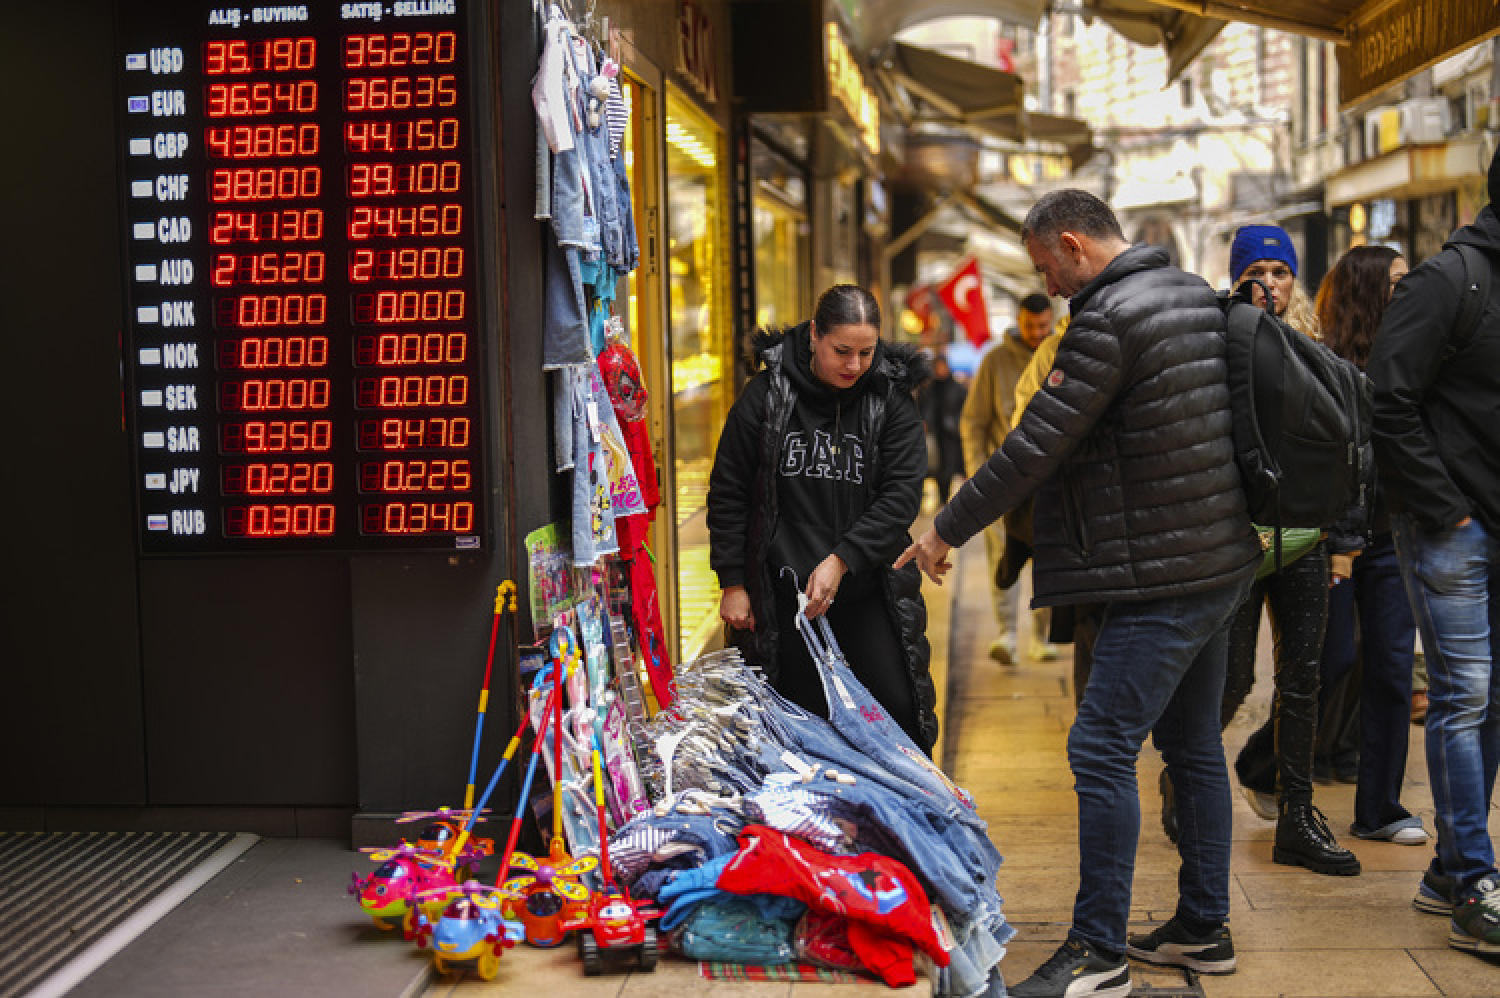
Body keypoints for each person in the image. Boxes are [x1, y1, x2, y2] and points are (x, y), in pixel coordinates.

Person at [899, 190, 1260, 997]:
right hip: (1216, 560)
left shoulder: (1106, 320)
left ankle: (1099, 953)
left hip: (1159, 575)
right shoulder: (1189, 293)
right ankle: (1205, 928)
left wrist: (945, 527)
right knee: (1194, 745)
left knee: (1100, 747)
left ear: (1071, 244)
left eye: (1044, 267)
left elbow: (1034, 444)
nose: (1048, 286)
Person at [707, 284, 939, 751]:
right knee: (800, 725)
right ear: (814, 335)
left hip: (870, 587)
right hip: (784, 595)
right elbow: (730, 488)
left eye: (866, 352)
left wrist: (841, 559)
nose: (855, 365)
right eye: (842, 351)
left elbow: (899, 498)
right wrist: (733, 582)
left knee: (896, 715)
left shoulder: (890, 400)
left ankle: (900, 820)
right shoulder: (766, 396)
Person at [1368, 146, 1500, 957]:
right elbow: (1389, 401)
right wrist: (1446, 508)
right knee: (1465, 698)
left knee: (1493, 700)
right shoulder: (1450, 279)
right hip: (1454, 529)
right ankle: (1475, 887)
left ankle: (1450, 868)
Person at [1215, 224, 1362, 877]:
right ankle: (1184, 783)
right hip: (1242, 539)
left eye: (1279, 271)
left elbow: (1346, 443)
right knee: (1235, 678)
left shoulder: (1318, 347)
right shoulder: (1223, 337)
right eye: (1258, 272)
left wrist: (1341, 539)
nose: (1270, 283)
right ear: (1239, 277)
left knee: (1304, 676)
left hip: (1304, 535)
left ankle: (1297, 816)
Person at [1314, 244, 1428, 846]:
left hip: (1391, 537)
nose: (1406, 291)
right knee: (1328, 664)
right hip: (1331, 540)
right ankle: (1271, 767)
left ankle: (1379, 809)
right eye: (1397, 282)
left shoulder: (1415, 353)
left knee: (1388, 669)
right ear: (1366, 291)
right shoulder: (1324, 363)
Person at [960, 291, 1056, 664]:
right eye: (1030, 326)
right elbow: (974, 421)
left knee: (1047, 560)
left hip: (1046, 481)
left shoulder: (1060, 354)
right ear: (1018, 321)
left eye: (1043, 326)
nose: (1036, 332)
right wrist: (975, 471)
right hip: (1003, 481)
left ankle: (1042, 637)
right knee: (1002, 557)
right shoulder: (995, 361)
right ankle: (1007, 635)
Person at [919, 352, 967, 503]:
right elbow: (921, 408)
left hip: (951, 436)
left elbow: (965, 410)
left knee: (949, 468)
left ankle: (945, 499)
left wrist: (955, 423)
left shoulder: (958, 388)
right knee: (935, 467)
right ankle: (941, 499)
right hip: (933, 434)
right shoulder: (928, 389)